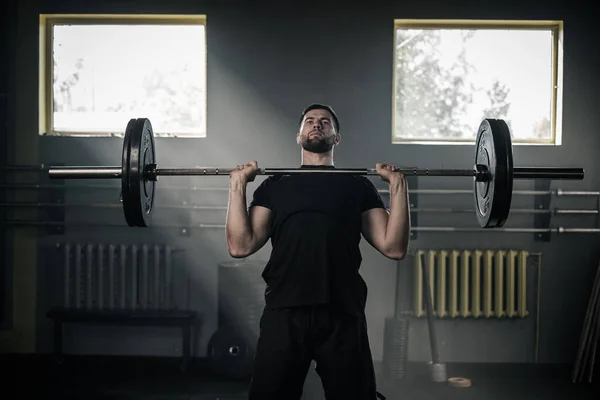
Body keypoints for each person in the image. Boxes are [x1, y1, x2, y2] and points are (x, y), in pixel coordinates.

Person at [225, 103, 410, 400]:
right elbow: (240, 245)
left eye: (326, 122)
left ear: (336, 137)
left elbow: (394, 247)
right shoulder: (275, 185)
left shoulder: (357, 186)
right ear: (299, 136)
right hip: (284, 312)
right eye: (310, 121)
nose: (317, 124)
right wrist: (237, 187)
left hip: (341, 312)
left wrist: (399, 187)